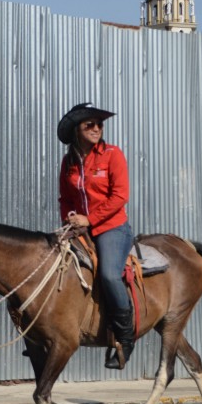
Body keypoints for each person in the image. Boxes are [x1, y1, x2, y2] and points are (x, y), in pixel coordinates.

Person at [57, 103, 135, 370]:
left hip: (112, 227)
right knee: (53, 265)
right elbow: (65, 199)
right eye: (89, 124)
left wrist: (90, 219)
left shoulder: (112, 154)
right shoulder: (69, 162)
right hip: (79, 229)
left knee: (109, 275)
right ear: (76, 130)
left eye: (99, 124)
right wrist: (70, 219)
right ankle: (47, 330)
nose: (96, 128)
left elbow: (120, 196)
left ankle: (126, 337)